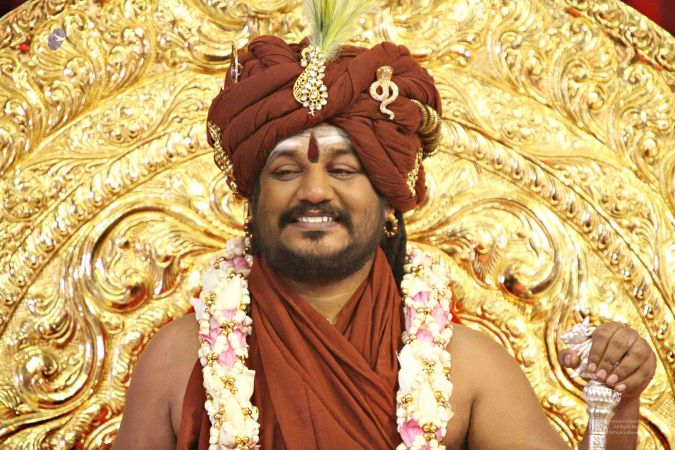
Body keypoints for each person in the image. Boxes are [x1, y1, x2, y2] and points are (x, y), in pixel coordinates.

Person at [112, 4, 657, 449]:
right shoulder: (177, 360)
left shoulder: (466, 365)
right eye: (285, 171)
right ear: (252, 200)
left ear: (391, 199)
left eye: (344, 170)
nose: (315, 191)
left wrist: (618, 403)